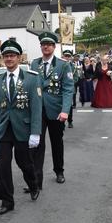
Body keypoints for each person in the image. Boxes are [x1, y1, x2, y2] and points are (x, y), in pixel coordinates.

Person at [0, 40, 41, 215]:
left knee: (24, 162)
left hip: (23, 128)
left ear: (19, 58)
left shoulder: (31, 79)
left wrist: (35, 132)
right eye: (6, 56)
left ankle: (33, 184)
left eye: (12, 56)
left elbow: (36, 107)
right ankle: (7, 201)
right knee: (4, 165)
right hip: (4, 129)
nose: (9, 59)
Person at [30, 32, 73, 188]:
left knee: (56, 143)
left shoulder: (63, 65)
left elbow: (68, 89)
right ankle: (35, 180)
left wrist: (65, 110)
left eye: (49, 44)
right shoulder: (34, 64)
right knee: (36, 144)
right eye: (43, 44)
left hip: (56, 111)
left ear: (54, 47)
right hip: (38, 111)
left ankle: (59, 171)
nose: (46, 47)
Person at [61, 50, 79, 128]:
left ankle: (70, 121)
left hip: (69, 88)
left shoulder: (73, 66)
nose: (67, 58)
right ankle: (61, 122)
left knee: (69, 105)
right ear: (63, 56)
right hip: (60, 89)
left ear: (71, 57)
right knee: (60, 106)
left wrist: (69, 83)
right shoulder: (59, 65)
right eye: (66, 56)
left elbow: (76, 77)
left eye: (68, 56)